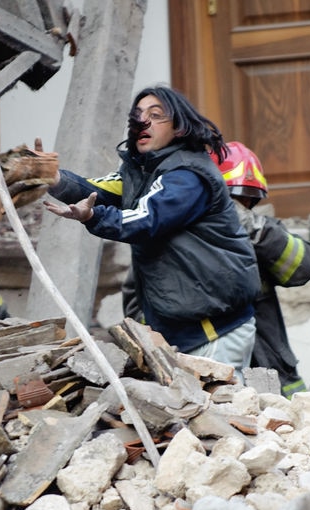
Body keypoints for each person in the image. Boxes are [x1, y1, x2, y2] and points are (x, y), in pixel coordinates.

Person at [41, 84, 261, 375]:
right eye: (137, 116)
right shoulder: (139, 172)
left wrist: (93, 216)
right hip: (178, 332)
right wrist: (54, 178)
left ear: (180, 128)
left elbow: (146, 219)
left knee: (218, 414)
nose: (143, 121)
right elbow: (95, 190)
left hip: (214, 331)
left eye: (156, 115)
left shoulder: (187, 176)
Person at [215, 141, 310, 396]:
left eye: (247, 201)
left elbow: (303, 268)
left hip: (274, 376)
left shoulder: (260, 233)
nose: (240, 207)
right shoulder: (178, 243)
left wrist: (256, 232)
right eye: (232, 200)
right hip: (217, 378)